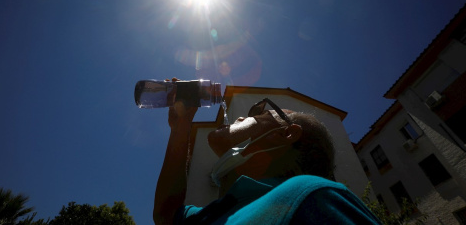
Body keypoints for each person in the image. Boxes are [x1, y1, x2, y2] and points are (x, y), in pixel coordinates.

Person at [153, 93, 381, 224]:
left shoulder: (311, 195)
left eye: (258, 113)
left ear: (286, 134)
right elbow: (166, 215)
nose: (241, 116)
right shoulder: (217, 210)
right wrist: (180, 127)